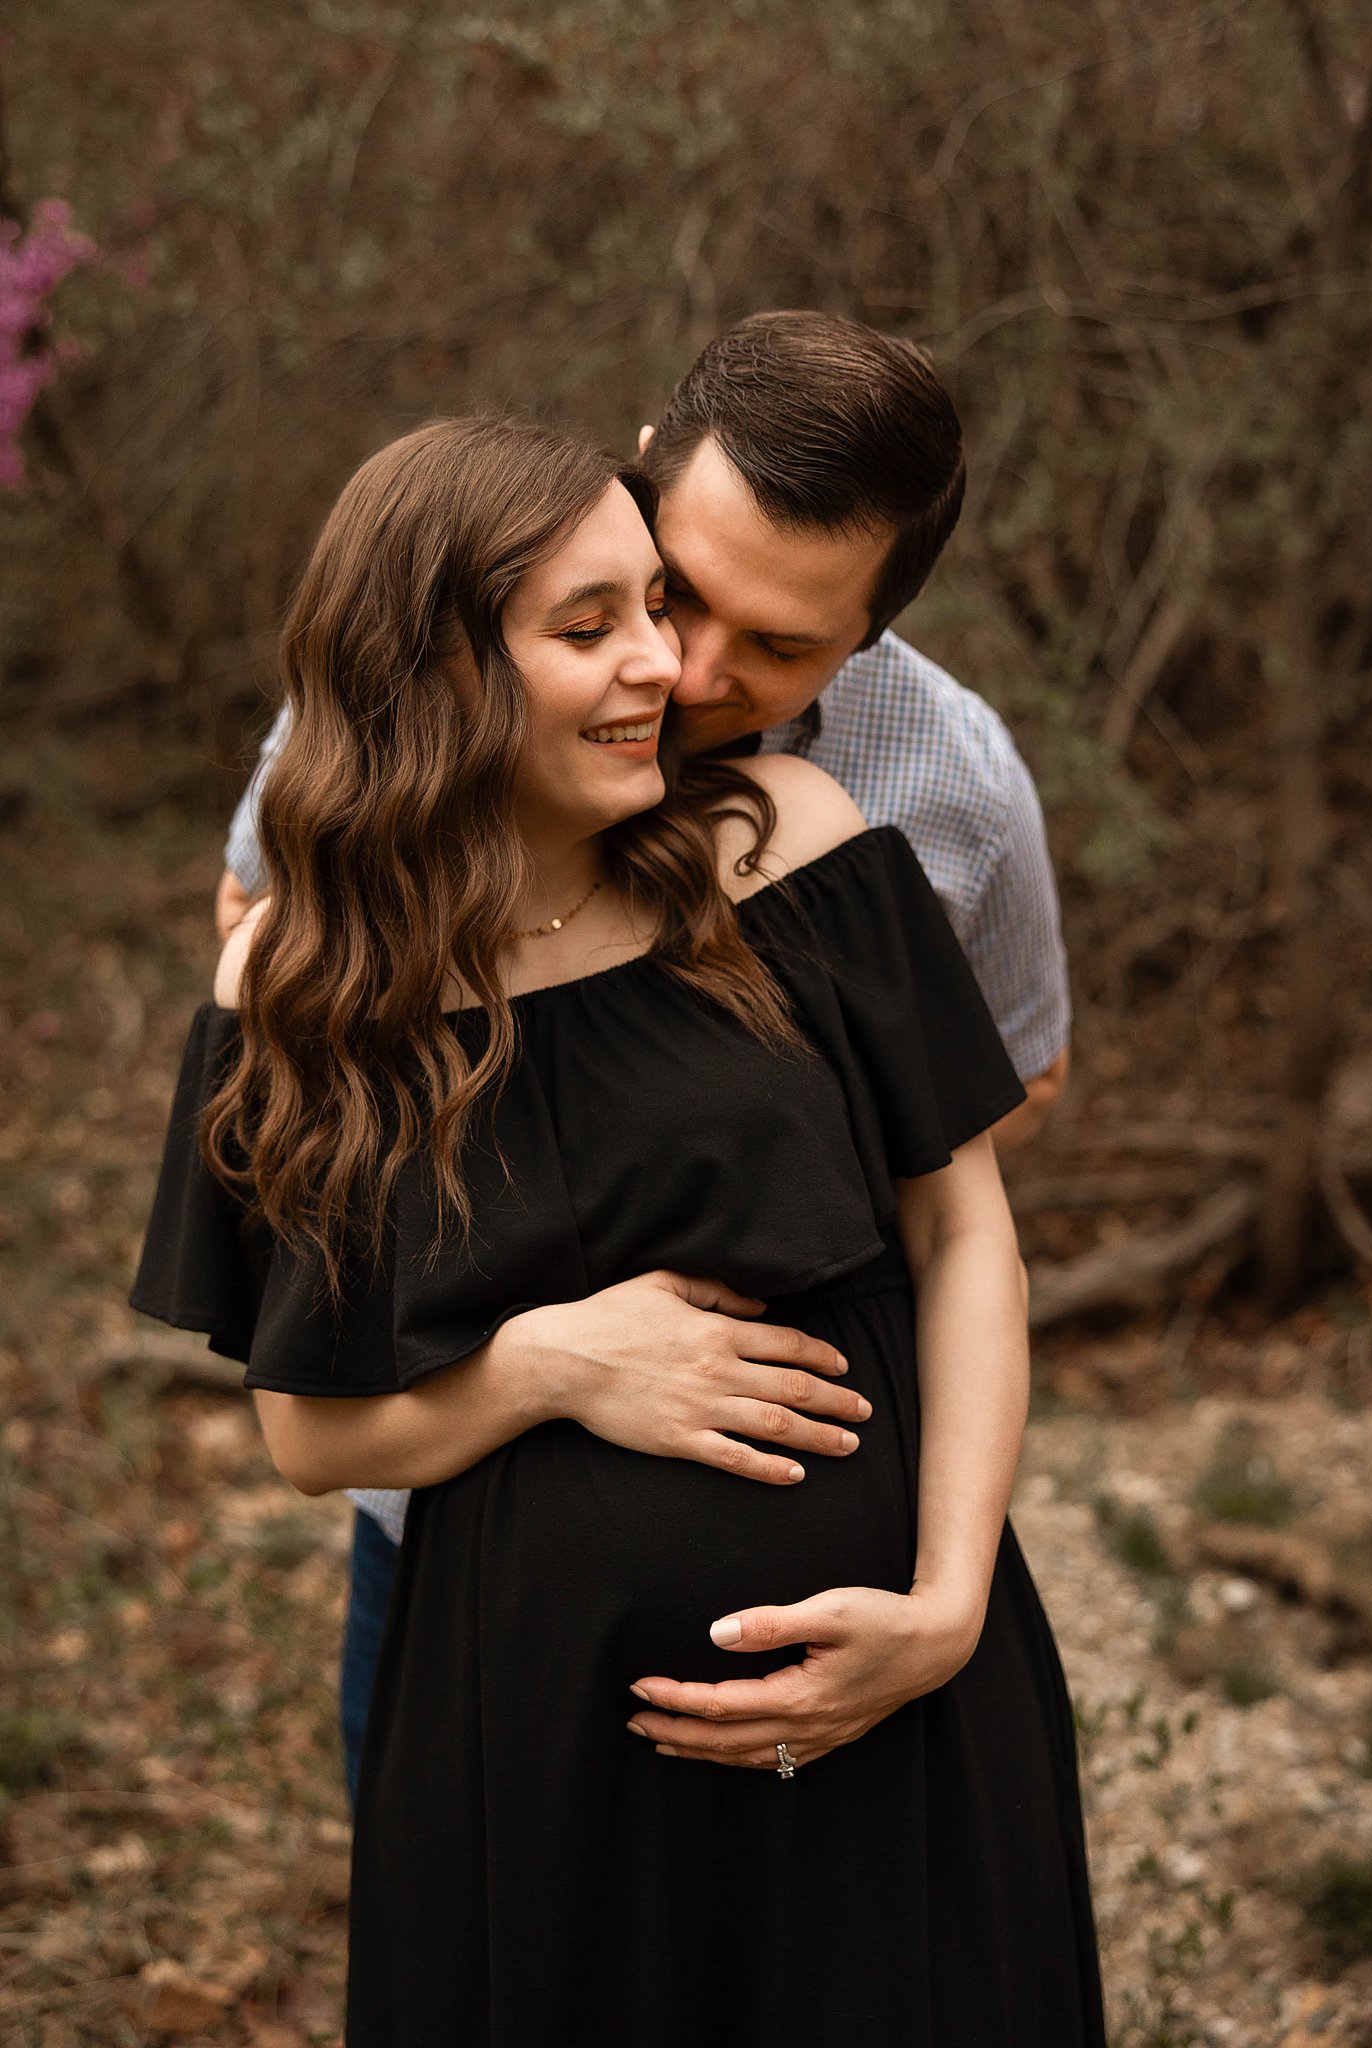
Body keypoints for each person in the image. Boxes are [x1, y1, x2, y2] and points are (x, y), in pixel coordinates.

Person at [133, 412, 1102, 2044]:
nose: (668, 665)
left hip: (899, 1686)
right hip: (541, 1735)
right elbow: (308, 1437)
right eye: (593, 628)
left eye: (656, 606)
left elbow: (964, 1237)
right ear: (430, 668)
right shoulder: (299, 988)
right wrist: (543, 1368)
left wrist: (945, 1611)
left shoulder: (788, 843)